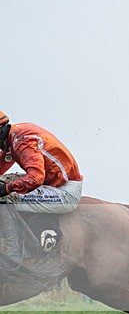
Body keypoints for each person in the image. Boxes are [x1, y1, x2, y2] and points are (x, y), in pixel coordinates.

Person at [0, 110, 83, 265]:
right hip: (55, 184)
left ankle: (12, 255)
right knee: (4, 182)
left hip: (64, 193)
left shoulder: (21, 141)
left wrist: (7, 189)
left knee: (6, 196)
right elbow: (2, 164)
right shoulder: (13, 136)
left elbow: (35, 177)